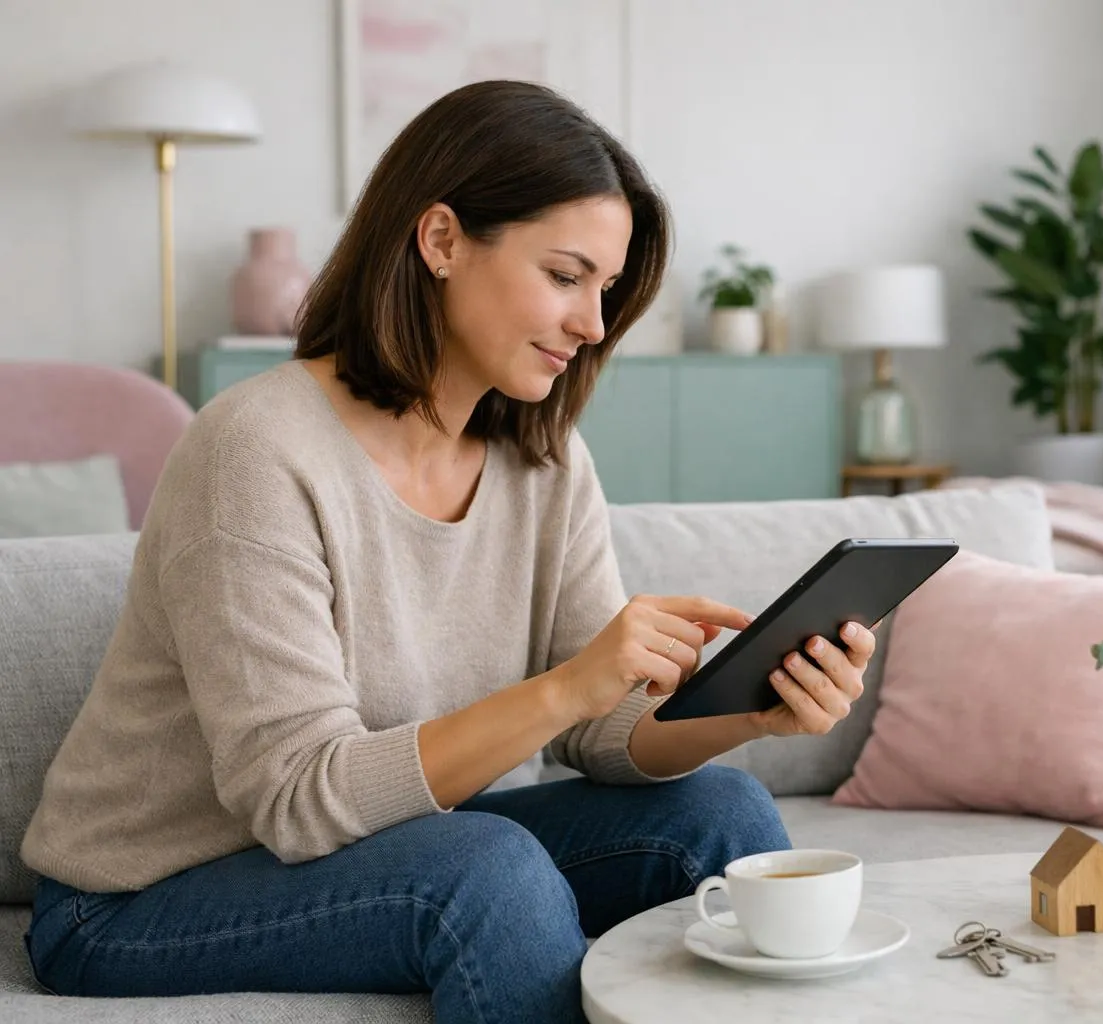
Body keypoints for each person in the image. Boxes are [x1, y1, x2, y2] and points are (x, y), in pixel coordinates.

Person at [20, 80, 877, 1024]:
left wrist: (751, 708)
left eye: (605, 288)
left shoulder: (542, 461)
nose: (594, 324)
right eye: (565, 276)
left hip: (381, 845)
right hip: (140, 899)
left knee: (724, 817)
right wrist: (564, 687)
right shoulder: (255, 452)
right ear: (440, 242)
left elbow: (603, 738)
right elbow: (299, 800)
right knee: (485, 873)